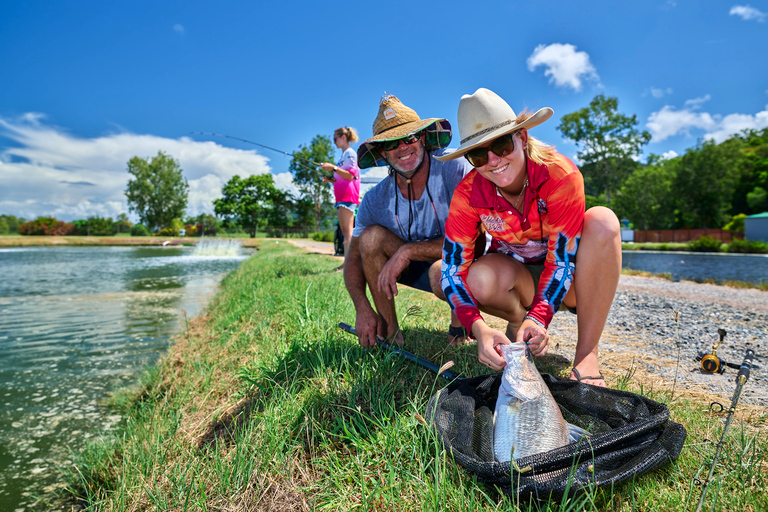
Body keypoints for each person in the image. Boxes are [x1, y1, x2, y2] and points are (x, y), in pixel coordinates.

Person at [438, 88, 621, 387]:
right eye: (478, 155)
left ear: (522, 138)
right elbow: (451, 269)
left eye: (501, 144)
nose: (493, 161)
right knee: (477, 278)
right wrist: (478, 327)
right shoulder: (468, 193)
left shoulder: (559, 174)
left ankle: (587, 354)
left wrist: (540, 316)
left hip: (571, 279)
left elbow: (562, 259)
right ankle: (516, 321)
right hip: (517, 276)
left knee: (603, 220)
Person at [344, 94, 474, 348]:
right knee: (370, 239)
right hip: (409, 267)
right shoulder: (373, 200)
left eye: (409, 137)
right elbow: (352, 260)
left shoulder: (454, 168)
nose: (402, 147)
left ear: (423, 138)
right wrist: (362, 307)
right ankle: (390, 333)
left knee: (442, 272)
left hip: (458, 262)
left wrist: (409, 250)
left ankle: (459, 326)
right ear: (382, 152)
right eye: (392, 143)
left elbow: (473, 241)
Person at [320, 127, 361, 262]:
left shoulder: (350, 153)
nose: (334, 142)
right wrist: (331, 179)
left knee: (348, 233)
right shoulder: (342, 157)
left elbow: (350, 176)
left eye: (335, 138)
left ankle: (348, 265)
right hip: (341, 198)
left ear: (343, 137)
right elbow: (341, 179)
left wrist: (333, 168)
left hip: (348, 197)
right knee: (345, 233)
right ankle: (347, 264)